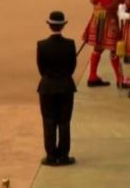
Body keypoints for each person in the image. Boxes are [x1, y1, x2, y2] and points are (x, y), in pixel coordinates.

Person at [37, 11, 77, 167]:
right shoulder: (70, 44)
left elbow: (41, 68)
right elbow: (72, 67)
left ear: (49, 25)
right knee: (64, 122)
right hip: (66, 86)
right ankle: (64, 156)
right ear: (63, 25)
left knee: (49, 121)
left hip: (47, 87)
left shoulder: (41, 45)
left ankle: (51, 156)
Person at [83, 0, 125, 88]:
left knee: (98, 48)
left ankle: (92, 76)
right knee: (114, 49)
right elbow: (110, 5)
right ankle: (120, 79)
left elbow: (92, 0)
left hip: (99, 17)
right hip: (107, 19)